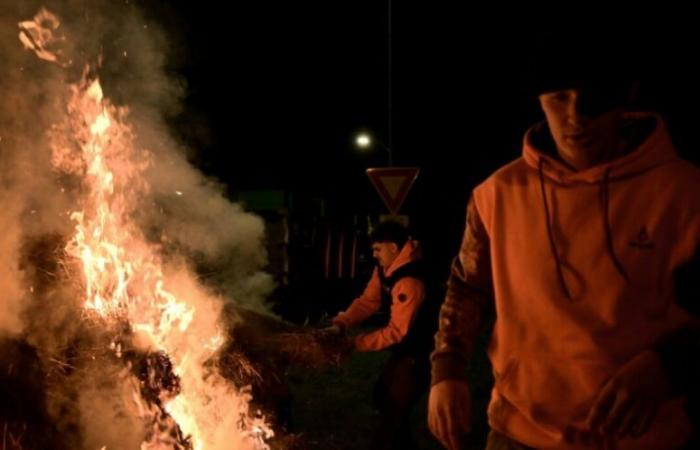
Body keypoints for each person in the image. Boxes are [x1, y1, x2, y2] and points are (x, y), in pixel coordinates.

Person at [427, 33, 700, 450]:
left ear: (626, 94)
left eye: (594, 97)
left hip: (645, 438)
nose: (576, 116)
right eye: (558, 97)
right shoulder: (497, 193)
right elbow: (467, 286)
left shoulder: (684, 192)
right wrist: (447, 372)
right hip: (518, 434)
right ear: (538, 98)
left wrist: (668, 366)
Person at [329, 220, 440, 449]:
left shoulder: (410, 281)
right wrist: (341, 323)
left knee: (392, 411)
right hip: (406, 349)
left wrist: (354, 344)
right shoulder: (385, 268)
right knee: (382, 396)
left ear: (393, 248)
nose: (374, 255)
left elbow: (396, 332)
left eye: (377, 249)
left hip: (422, 352)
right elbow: (369, 301)